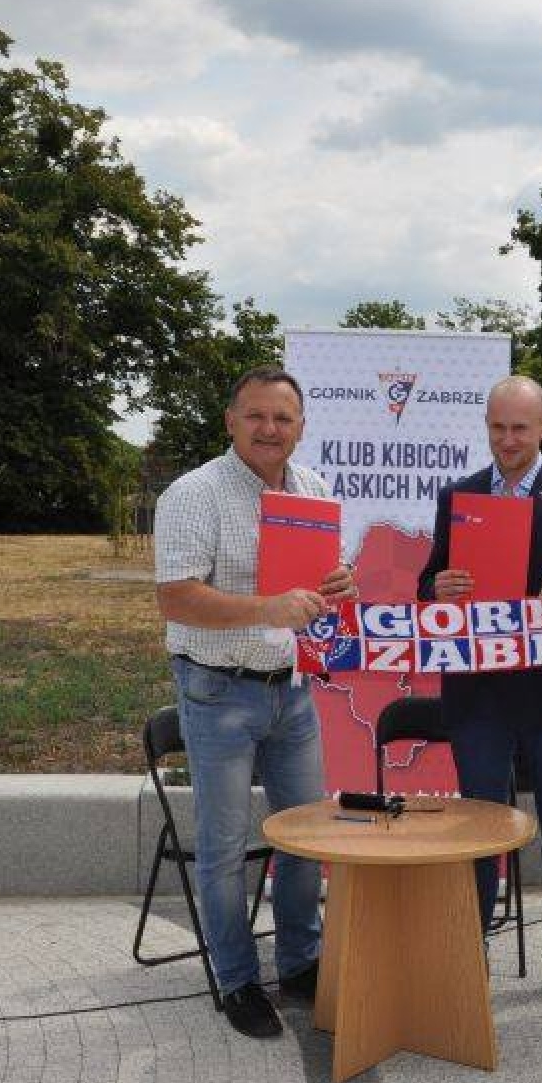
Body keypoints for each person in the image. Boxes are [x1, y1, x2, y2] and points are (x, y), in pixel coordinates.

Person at [153, 364, 356, 1039]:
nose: (270, 428)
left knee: (305, 836)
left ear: (301, 427)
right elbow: (176, 598)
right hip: (218, 692)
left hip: (291, 691)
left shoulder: (314, 489)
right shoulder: (194, 493)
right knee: (223, 847)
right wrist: (266, 607)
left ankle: (300, 963)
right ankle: (237, 979)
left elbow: (324, 588)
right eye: (257, 416)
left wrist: (340, 586)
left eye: (283, 418)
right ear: (231, 421)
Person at [417, 375, 542, 1014]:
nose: (508, 440)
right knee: (479, 826)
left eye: (520, 428)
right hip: (478, 697)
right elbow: (427, 586)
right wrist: (437, 588)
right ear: (487, 427)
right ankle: (467, 952)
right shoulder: (458, 496)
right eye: (498, 428)